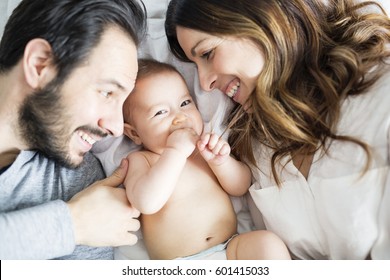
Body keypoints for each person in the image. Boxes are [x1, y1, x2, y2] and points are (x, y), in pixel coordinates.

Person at [165, 0, 390, 260]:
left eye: (207, 54)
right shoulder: (253, 147)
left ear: (263, 17)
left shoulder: (380, 97)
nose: (205, 83)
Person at [0, 0, 147, 259]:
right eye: (107, 92)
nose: (115, 127)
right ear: (39, 65)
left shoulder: (77, 185)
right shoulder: (81, 213)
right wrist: (73, 224)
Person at [122, 58, 290, 260]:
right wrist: (174, 152)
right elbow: (146, 203)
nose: (180, 117)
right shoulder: (142, 161)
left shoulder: (203, 149)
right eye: (160, 112)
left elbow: (241, 186)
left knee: (267, 244)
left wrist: (222, 162)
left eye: (184, 103)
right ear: (134, 133)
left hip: (231, 249)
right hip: (180, 263)